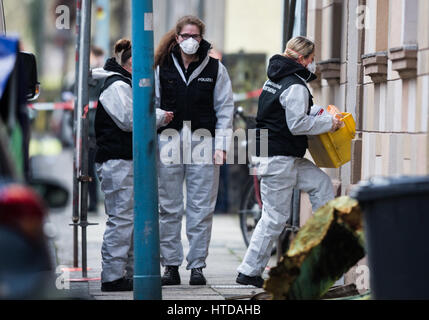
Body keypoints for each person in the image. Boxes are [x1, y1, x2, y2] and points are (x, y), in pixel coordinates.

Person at [236, 36, 343, 288]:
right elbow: (297, 124)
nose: (313, 65)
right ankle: (248, 271)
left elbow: (287, 115)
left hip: (280, 156)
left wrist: (318, 114)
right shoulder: (295, 85)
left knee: (321, 184)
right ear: (303, 59)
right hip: (278, 158)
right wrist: (330, 122)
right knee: (274, 218)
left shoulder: (273, 79)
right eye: (312, 59)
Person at [154, 16, 235, 286]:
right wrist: (159, 117)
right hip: (169, 140)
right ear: (177, 38)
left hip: (204, 142)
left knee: (201, 207)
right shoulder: (162, 67)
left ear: (202, 39)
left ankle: (197, 265)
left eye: (196, 36)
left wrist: (222, 147)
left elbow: (225, 109)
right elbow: (151, 102)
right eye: (186, 35)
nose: (191, 40)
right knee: (169, 207)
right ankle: (171, 265)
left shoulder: (215, 68)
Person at [94, 39, 173, 292]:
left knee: (129, 219)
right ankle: (113, 276)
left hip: (124, 160)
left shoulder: (122, 84)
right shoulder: (117, 86)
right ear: (132, 65)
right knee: (122, 219)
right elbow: (130, 119)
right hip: (117, 161)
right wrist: (160, 116)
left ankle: (126, 274)